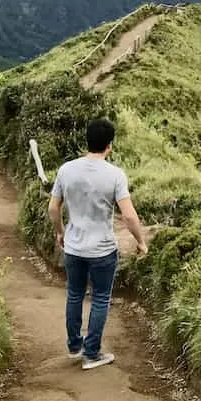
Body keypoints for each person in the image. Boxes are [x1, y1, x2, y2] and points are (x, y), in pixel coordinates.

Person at [48, 117, 149, 370]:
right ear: (109, 146)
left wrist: (60, 232)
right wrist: (141, 241)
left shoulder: (66, 170)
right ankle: (91, 354)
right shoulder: (115, 175)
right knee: (101, 298)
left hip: (73, 246)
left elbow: (53, 207)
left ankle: (74, 346)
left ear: (87, 142)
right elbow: (128, 215)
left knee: (74, 294)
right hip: (102, 248)